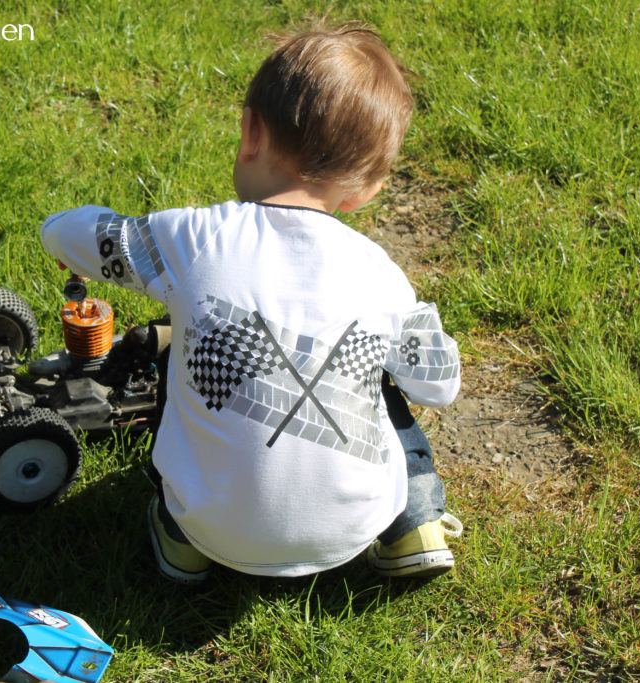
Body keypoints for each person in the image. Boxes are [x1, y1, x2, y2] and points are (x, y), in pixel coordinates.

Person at [40, 22, 461, 583]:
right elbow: (440, 384)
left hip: (210, 526)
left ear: (249, 133)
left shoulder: (190, 240)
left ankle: (182, 540)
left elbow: (61, 233)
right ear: (366, 190)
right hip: (350, 529)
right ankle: (415, 523)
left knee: (182, 350)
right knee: (381, 382)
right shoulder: (382, 278)